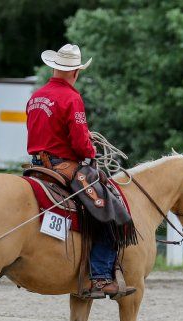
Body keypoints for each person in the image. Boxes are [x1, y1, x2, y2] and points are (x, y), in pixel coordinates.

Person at [26, 43, 132, 299]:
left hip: (37, 165)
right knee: (110, 209)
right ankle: (100, 277)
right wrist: (90, 153)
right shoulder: (72, 98)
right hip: (64, 167)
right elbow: (79, 142)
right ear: (75, 72)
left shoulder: (36, 96)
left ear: (54, 68)